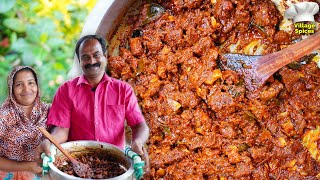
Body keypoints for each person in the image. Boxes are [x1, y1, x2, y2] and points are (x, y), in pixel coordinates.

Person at [37, 34, 150, 172]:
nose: (91, 61)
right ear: (79, 62)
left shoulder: (123, 89)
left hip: (116, 165)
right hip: (75, 164)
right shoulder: (66, 90)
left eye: (96, 55)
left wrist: (137, 142)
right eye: (85, 57)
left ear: (105, 56)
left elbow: (139, 125)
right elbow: (61, 131)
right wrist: (49, 142)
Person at [0, 66, 50, 180]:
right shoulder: (3, 116)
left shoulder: (49, 111)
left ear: (37, 86)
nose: (26, 89)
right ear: (11, 89)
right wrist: (27, 166)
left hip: (42, 176)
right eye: (19, 84)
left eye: (31, 83)